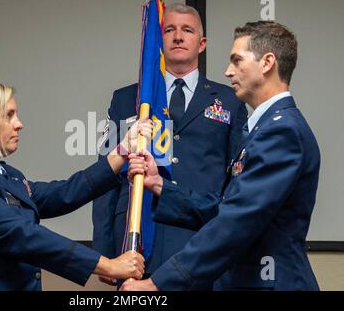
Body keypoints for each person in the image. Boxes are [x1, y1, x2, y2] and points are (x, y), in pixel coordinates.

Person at [122, 21, 321, 291]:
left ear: (267, 63)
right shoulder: (265, 127)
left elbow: (237, 220)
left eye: (237, 61)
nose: (228, 72)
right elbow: (226, 207)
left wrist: (158, 283)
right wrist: (160, 186)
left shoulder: (281, 130)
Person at [0, 81, 152, 291]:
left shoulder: (7, 175)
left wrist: (123, 150)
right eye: (9, 115)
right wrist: (108, 265)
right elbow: (22, 235)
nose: (19, 124)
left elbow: (63, 193)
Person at [92, 3, 247, 285]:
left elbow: (236, 180)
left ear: (201, 44)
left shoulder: (230, 101)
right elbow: (105, 176)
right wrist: (103, 255)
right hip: (137, 244)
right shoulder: (128, 99)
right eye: (169, 30)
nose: (177, 37)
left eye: (187, 30)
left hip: (203, 242)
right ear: (157, 40)